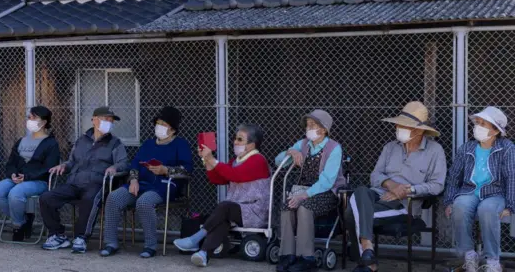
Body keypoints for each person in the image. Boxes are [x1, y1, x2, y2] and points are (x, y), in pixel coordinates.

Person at [344, 101, 447, 272]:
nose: (399, 128)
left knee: (350, 212)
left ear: (420, 130)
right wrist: (391, 185)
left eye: (405, 126)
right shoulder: (390, 147)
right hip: (378, 195)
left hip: (404, 205)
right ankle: (367, 249)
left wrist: (408, 190)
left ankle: (367, 261)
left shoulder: (435, 151)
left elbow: (437, 185)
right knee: (361, 191)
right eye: (399, 124)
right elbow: (374, 176)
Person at [100, 106, 193, 258]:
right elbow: (135, 163)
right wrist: (134, 180)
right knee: (114, 198)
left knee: (144, 202)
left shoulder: (180, 145)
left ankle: (150, 246)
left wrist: (166, 170)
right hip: (141, 184)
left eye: (163, 124)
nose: (159, 126)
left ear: (173, 129)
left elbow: (187, 169)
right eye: (158, 123)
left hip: (164, 187)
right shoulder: (149, 144)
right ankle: (111, 243)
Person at [173, 123, 271, 267]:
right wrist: (207, 161)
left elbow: (235, 175)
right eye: (235, 138)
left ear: (251, 145)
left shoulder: (258, 160)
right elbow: (218, 179)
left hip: (254, 211)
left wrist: (212, 159)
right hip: (237, 209)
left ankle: (195, 239)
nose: (235, 142)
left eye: (239, 139)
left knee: (225, 207)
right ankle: (203, 254)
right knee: (223, 218)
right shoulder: (237, 160)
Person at [40, 106, 128, 254]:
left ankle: (81, 237)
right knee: (46, 198)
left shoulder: (115, 143)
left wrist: (115, 167)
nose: (109, 123)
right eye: (105, 119)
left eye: (111, 121)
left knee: (89, 199)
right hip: (74, 182)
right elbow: (71, 162)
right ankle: (57, 235)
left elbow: (124, 163)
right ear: (94, 120)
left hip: (97, 183)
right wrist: (63, 166)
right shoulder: (81, 140)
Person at [443, 107, 515, 272]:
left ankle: (492, 260)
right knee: (459, 207)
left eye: (484, 124)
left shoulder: (507, 147)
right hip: (469, 191)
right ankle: (469, 256)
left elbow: (512, 176)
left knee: (487, 209)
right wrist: (448, 201)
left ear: (496, 130)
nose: (478, 126)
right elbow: (454, 176)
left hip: (495, 192)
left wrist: (510, 205)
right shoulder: (467, 148)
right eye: (478, 122)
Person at [274, 110, 346, 272]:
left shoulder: (334, 148)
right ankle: (287, 254)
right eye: (308, 125)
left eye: (313, 125)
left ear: (324, 129)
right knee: (286, 206)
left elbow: (327, 181)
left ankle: (306, 257)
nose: (309, 128)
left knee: (304, 206)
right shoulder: (303, 144)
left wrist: (303, 196)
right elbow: (278, 161)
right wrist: (290, 152)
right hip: (303, 190)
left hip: (326, 193)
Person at [0, 106, 60, 242]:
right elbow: (11, 162)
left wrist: (26, 178)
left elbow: (49, 167)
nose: (30, 120)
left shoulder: (51, 143)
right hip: (17, 178)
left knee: (15, 193)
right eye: (29, 117)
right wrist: (13, 174)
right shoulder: (21, 141)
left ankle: (17, 226)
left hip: (38, 181)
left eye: (34, 118)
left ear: (44, 122)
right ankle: (23, 220)